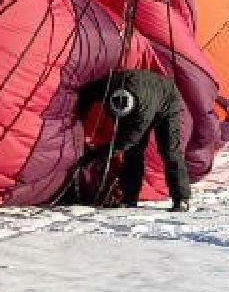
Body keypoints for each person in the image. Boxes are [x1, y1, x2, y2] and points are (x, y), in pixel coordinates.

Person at [75, 69, 194, 212]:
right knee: (132, 154)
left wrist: (97, 155)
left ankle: (181, 199)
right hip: (144, 91)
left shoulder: (142, 114)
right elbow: (86, 95)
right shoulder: (106, 87)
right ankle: (129, 198)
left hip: (168, 101)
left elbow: (128, 140)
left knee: (169, 151)